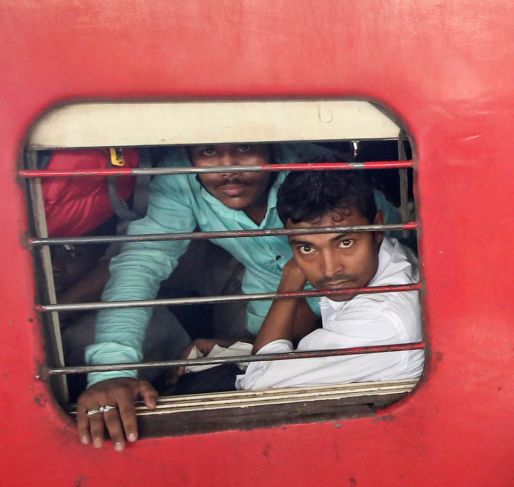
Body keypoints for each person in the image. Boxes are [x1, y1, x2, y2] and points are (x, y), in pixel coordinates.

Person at [73, 142, 397, 448]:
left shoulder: (319, 177)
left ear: (270, 140)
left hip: (358, 316)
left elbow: (393, 247)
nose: (229, 168)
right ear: (187, 151)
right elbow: (140, 264)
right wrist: (112, 372)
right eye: (209, 150)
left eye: (244, 147)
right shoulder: (178, 180)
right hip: (269, 316)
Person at [235, 170, 422, 390]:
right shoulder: (391, 256)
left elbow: (257, 384)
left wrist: (290, 280)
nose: (330, 269)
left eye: (345, 243)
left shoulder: (380, 322)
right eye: (307, 248)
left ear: (378, 227)